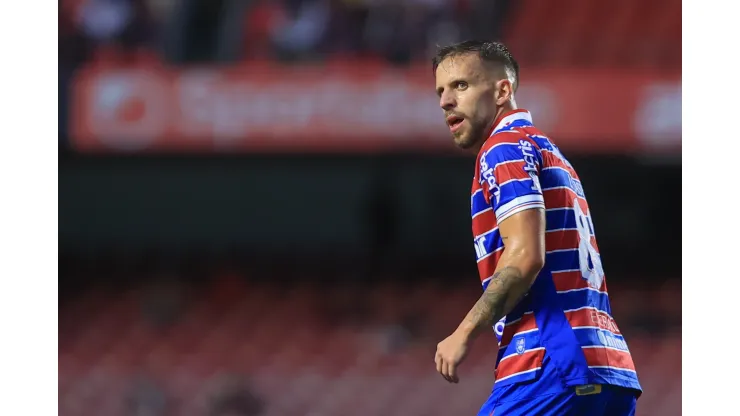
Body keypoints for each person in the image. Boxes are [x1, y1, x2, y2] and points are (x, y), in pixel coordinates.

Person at [431, 40, 643, 415]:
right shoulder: (550, 152)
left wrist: (462, 334)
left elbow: (525, 256)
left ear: (502, 90)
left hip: (552, 363)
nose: (446, 100)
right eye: (441, 91)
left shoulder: (504, 148)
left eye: (461, 85)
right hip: (610, 367)